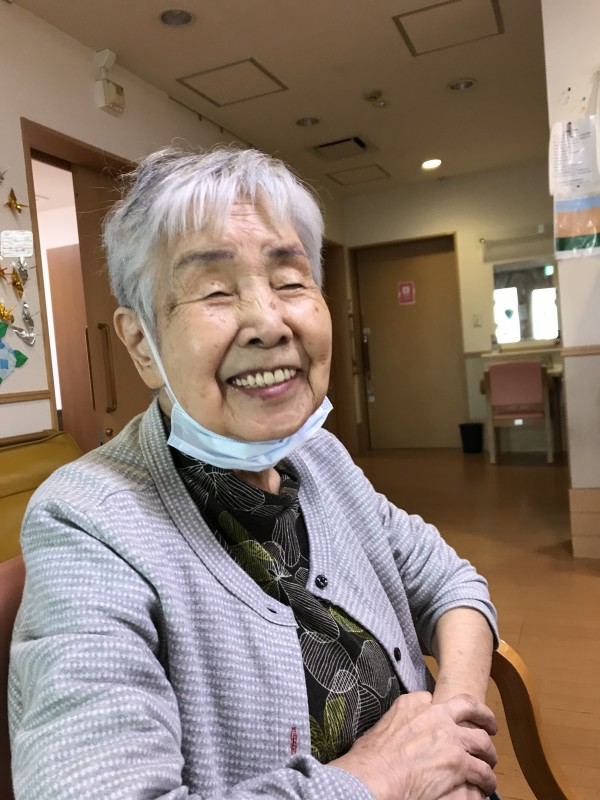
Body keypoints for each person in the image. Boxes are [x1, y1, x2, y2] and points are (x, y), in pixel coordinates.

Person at [9, 146, 499, 800]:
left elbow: (449, 580)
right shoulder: (89, 522)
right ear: (141, 344)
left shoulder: (318, 457)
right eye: (215, 291)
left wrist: (452, 728)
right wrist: (386, 774)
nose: (269, 323)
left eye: (291, 281)